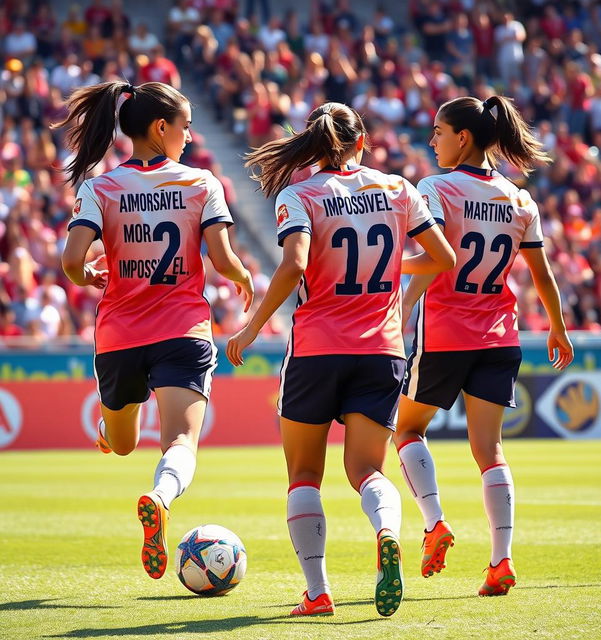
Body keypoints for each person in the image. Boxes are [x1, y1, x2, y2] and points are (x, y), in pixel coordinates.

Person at [226, 102, 455, 617]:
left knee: (304, 473)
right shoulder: (399, 189)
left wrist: (252, 326)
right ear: (362, 141)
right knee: (368, 470)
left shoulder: (300, 194)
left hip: (317, 348)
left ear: (314, 143)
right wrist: (392, 265)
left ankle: (317, 592)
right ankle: (389, 533)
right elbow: (443, 259)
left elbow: (294, 266)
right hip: (382, 350)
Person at [58, 81, 254, 580]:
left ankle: (109, 430)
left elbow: (70, 262)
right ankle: (160, 496)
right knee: (180, 443)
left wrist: (89, 276)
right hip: (183, 329)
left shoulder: (100, 187)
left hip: (120, 334)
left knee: (121, 443)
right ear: (160, 127)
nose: (189, 137)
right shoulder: (201, 183)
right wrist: (244, 276)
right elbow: (223, 258)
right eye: (185, 127)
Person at [396, 95, 574, 597]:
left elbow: (434, 257)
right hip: (500, 335)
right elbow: (541, 274)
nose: (432, 140)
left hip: (447, 333)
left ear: (463, 138)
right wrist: (558, 327)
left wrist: (397, 284)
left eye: (438, 131)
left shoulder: (436, 188)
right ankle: (501, 561)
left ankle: (434, 523)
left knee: (406, 429)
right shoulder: (520, 200)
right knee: (490, 451)